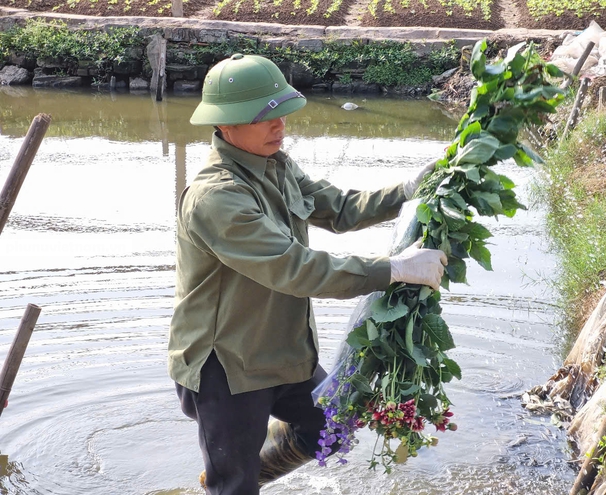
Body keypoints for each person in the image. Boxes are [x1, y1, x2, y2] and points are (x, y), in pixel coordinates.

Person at [168, 53, 448, 495]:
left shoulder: (277, 166)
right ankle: (229, 479)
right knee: (235, 488)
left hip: (284, 351)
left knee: (336, 424)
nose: (280, 126)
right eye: (266, 117)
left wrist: (408, 191)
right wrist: (393, 270)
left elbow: (337, 208)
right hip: (228, 367)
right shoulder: (215, 198)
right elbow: (295, 270)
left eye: (282, 113)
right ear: (226, 125)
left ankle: (234, 472)